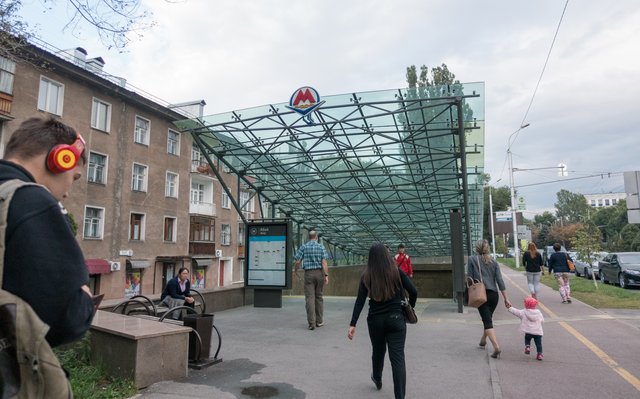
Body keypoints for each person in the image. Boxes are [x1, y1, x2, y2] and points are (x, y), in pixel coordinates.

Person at [0, 117, 94, 347]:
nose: (67, 193)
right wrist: (84, 297)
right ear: (60, 159)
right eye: (74, 177)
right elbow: (68, 319)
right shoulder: (31, 201)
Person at [348, 243, 417, 399]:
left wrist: (353, 324)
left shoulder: (367, 275)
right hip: (396, 319)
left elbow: (359, 301)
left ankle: (377, 378)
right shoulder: (396, 272)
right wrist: (409, 307)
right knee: (397, 358)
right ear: (387, 255)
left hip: (375, 321)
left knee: (378, 351)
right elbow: (414, 291)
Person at [467, 239, 511, 358]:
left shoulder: (472, 259)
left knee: (487, 321)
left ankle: (496, 347)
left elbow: (469, 278)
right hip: (494, 295)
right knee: (488, 318)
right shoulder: (494, 261)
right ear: (488, 248)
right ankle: (483, 340)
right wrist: (506, 298)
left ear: (477, 248)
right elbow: (500, 281)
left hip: (481, 295)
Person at [293, 230, 329, 330]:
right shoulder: (321, 247)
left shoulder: (304, 247)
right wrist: (326, 275)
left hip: (308, 274)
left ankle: (311, 323)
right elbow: (324, 263)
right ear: (316, 237)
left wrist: (295, 271)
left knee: (310, 298)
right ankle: (319, 321)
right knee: (319, 297)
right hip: (319, 274)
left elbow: (297, 261)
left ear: (309, 237)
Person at [507, 296, 545, 361]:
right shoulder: (538, 312)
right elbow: (542, 320)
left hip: (528, 331)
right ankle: (539, 354)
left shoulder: (523, 312)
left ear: (525, 304)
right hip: (538, 332)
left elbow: (516, 312)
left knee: (527, 339)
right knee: (538, 344)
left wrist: (510, 308)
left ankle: (527, 347)